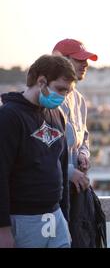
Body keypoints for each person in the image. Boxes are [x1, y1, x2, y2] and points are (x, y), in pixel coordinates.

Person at [0, 55, 77, 248]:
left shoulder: (57, 115)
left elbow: (61, 168)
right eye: (60, 89)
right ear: (41, 81)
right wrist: (3, 229)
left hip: (55, 217)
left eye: (67, 92)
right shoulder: (9, 116)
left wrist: (64, 218)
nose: (63, 97)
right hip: (23, 219)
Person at [52, 38, 106, 248]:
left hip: (76, 190)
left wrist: (84, 154)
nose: (86, 65)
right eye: (79, 60)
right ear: (60, 61)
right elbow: (38, 152)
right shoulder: (47, 99)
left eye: (86, 60)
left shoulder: (80, 100)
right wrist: (68, 170)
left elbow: (83, 138)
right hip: (53, 191)